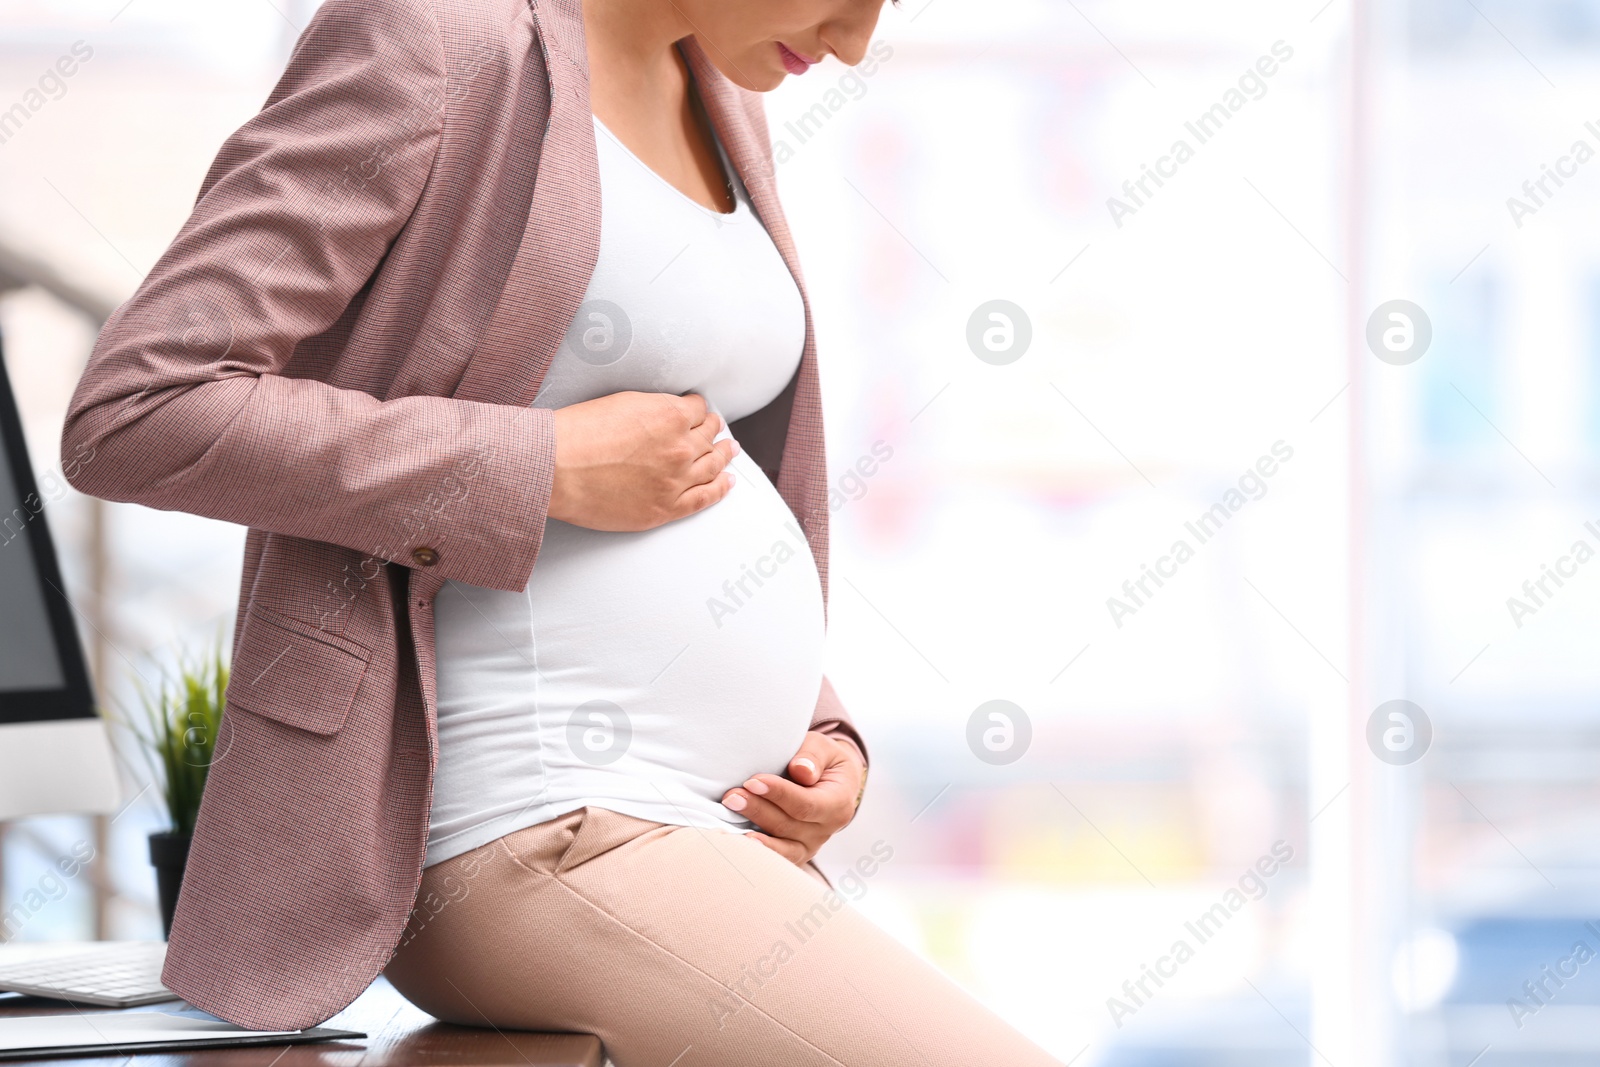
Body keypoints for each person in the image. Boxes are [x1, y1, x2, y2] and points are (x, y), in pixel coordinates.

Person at [63, 0, 1062, 1063]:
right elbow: (136, 410)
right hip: (531, 822)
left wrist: (816, 731)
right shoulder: (433, 44)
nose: (857, 42)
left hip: (707, 826)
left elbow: (691, 468)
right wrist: (536, 466)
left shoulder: (724, 90)